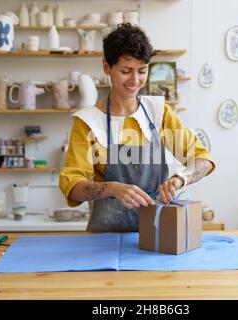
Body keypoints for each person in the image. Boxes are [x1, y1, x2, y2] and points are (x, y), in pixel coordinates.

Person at [59, 23, 215, 232]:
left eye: (142, 71)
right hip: (105, 240)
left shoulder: (159, 113)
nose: (135, 80)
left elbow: (203, 159)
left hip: (157, 235)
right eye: (126, 71)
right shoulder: (88, 122)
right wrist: (112, 189)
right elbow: (72, 185)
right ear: (107, 67)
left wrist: (181, 179)